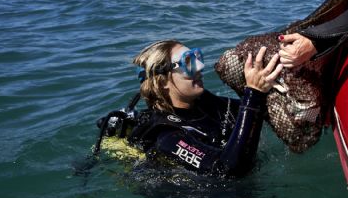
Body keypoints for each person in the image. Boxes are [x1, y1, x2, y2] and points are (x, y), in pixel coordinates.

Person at [113, 39, 282, 177]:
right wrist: (253, 93)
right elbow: (227, 171)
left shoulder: (206, 104)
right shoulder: (166, 135)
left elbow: (257, 111)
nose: (200, 67)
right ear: (163, 81)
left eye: (196, 58)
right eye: (188, 63)